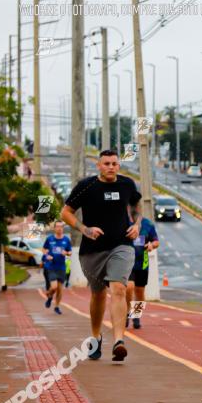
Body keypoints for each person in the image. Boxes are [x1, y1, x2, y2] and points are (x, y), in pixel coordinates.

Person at [61, 149, 142, 362]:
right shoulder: (86, 186)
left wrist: (137, 225)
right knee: (97, 294)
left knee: (118, 288)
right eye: (106, 163)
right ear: (98, 165)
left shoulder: (127, 184)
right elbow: (66, 212)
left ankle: (118, 342)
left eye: (114, 163)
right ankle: (96, 337)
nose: (111, 167)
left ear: (119, 165)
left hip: (121, 245)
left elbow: (137, 206)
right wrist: (85, 229)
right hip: (92, 250)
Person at [126, 216, 159, 329]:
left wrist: (151, 245)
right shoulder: (123, 221)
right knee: (129, 287)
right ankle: (126, 313)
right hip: (127, 263)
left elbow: (156, 241)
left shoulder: (147, 224)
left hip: (142, 264)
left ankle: (136, 316)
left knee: (140, 292)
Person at [42, 221, 72, 315]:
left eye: (61, 227)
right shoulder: (49, 239)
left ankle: (57, 306)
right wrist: (47, 255)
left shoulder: (66, 239)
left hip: (61, 267)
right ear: (54, 228)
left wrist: (66, 253)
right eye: (57, 227)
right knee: (54, 287)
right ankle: (49, 296)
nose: (59, 228)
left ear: (63, 228)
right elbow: (44, 249)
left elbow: (70, 251)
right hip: (51, 266)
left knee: (59, 289)